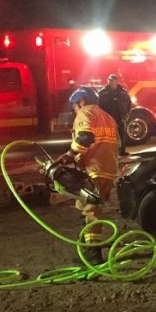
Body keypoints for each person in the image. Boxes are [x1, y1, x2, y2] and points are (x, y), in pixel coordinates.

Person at [56, 86, 118, 264]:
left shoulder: (86, 112)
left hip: (94, 169)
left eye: (74, 106)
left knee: (91, 211)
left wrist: (69, 155)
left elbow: (85, 137)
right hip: (108, 169)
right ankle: (85, 250)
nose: (75, 110)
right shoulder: (108, 117)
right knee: (86, 207)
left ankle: (92, 255)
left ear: (81, 101)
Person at [98, 73, 132, 156]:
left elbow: (129, 103)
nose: (111, 82)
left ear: (117, 81)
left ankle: (122, 151)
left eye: (113, 81)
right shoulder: (102, 92)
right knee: (109, 136)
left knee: (122, 134)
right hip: (108, 117)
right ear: (108, 81)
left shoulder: (123, 92)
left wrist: (127, 114)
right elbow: (98, 105)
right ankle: (109, 153)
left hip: (121, 116)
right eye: (110, 81)